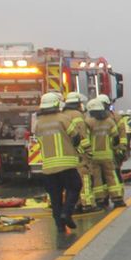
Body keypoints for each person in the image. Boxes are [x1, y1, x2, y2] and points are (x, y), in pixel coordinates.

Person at [33, 91, 89, 233]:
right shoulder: (63, 119)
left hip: (48, 168)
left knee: (55, 196)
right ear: (57, 104)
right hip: (66, 164)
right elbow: (76, 137)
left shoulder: (38, 124)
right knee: (75, 188)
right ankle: (66, 213)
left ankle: (59, 224)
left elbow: (38, 141)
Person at [85, 96, 126, 209]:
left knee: (97, 178)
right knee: (111, 176)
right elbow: (116, 136)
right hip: (107, 154)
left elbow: (85, 138)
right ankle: (117, 199)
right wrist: (117, 149)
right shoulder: (109, 121)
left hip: (93, 155)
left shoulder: (88, 122)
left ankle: (100, 200)